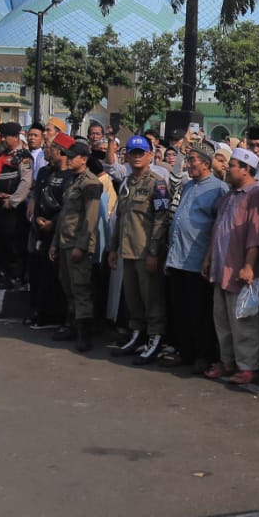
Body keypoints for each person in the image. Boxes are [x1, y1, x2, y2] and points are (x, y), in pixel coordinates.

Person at [203, 148, 259, 385]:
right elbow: (218, 228)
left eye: (232, 165)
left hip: (241, 271)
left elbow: (256, 234)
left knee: (244, 323)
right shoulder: (230, 195)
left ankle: (248, 366)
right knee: (222, 321)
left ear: (246, 169)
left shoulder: (255, 195)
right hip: (221, 268)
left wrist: (249, 266)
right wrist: (209, 257)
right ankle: (227, 362)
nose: (227, 168)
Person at [107, 135, 173, 361]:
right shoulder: (126, 183)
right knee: (133, 298)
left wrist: (154, 251)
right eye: (132, 153)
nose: (135, 157)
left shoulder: (158, 183)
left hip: (146, 251)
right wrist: (113, 248)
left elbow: (161, 220)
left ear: (150, 155)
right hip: (127, 249)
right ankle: (137, 333)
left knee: (152, 298)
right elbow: (120, 217)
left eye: (140, 153)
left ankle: (155, 337)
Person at [164, 140, 228, 372]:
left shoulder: (218, 189)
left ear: (206, 164)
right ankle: (185, 351)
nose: (188, 164)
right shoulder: (188, 186)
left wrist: (210, 257)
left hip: (198, 260)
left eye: (192, 160)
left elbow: (219, 227)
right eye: (188, 159)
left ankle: (203, 355)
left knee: (199, 312)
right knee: (179, 310)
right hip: (177, 257)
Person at [52, 141, 105, 352]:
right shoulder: (72, 181)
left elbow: (90, 218)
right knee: (68, 287)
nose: (69, 159)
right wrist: (55, 243)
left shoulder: (90, 183)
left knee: (81, 289)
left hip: (77, 243)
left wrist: (82, 246)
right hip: (65, 240)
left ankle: (84, 333)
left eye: (73, 156)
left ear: (84, 159)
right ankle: (72, 325)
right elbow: (65, 215)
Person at [27, 133, 75, 330]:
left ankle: (54, 315)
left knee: (54, 276)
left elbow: (68, 206)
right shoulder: (46, 172)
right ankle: (38, 311)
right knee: (37, 273)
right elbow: (37, 197)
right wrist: (37, 217)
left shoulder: (72, 176)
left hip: (58, 232)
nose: (48, 151)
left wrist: (53, 223)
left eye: (52, 148)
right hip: (39, 230)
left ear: (62, 152)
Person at [0, 122, 34, 286]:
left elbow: (26, 182)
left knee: (13, 244)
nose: (3, 139)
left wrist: (12, 202)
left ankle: (14, 276)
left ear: (15, 137)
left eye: (6, 136)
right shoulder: (2, 154)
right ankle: (2, 274)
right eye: (2, 136)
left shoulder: (23, 157)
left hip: (11, 209)